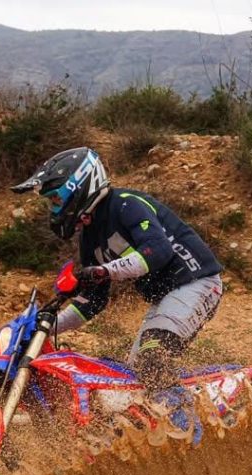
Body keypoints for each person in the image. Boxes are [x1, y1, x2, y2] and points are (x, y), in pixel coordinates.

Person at [11, 147, 223, 397]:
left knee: (152, 359)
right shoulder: (89, 238)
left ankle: (188, 419)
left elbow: (158, 250)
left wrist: (102, 271)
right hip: (166, 298)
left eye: (56, 200)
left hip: (196, 282)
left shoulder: (126, 204)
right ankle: (187, 403)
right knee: (131, 385)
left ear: (78, 185)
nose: (54, 208)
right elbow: (93, 300)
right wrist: (50, 325)